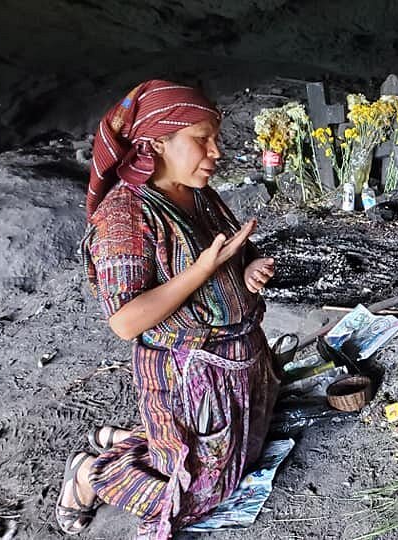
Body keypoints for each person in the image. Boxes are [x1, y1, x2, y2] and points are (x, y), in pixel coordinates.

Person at [55, 80, 281, 538]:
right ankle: (91, 474)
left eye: (215, 137)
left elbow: (231, 253)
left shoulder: (198, 193)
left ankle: (128, 440)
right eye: (201, 138)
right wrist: (201, 271)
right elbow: (126, 321)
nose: (216, 151)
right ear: (157, 141)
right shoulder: (125, 216)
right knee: (199, 493)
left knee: (245, 458)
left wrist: (249, 268)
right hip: (184, 375)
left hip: (240, 362)